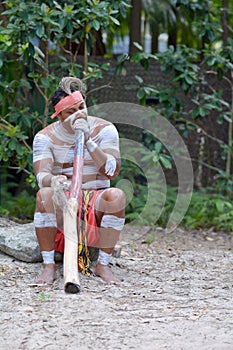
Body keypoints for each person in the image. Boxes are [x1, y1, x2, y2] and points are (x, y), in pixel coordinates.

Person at [33, 76, 125, 286]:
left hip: (96, 204)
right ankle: (49, 266)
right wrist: (54, 181)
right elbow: (41, 177)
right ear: (59, 116)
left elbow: (112, 171)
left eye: (81, 107)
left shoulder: (104, 129)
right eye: (70, 112)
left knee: (117, 196)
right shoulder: (45, 137)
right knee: (44, 194)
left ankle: (103, 264)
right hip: (63, 203)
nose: (79, 114)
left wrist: (89, 142)